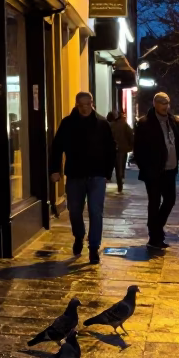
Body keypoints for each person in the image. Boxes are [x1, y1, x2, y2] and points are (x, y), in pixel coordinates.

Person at [49, 92, 116, 265]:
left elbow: (110, 149)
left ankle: (94, 247)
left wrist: (107, 172)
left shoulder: (102, 124)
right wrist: (55, 169)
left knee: (96, 211)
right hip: (75, 174)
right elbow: (57, 147)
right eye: (81, 105)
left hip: (97, 175)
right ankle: (79, 235)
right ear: (77, 105)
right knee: (74, 210)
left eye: (88, 104)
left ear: (92, 103)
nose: (85, 108)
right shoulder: (68, 123)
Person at [132, 91, 179, 251]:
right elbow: (138, 148)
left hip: (170, 168)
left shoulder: (172, 121)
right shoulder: (145, 123)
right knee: (154, 201)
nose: (165, 106)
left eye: (167, 103)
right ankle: (154, 235)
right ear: (155, 104)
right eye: (162, 103)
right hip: (153, 170)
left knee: (170, 200)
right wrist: (144, 166)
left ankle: (156, 228)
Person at [106, 107, 134, 193]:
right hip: (122, 148)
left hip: (112, 149)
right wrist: (131, 146)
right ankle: (120, 181)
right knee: (120, 166)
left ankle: (111, 178)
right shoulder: (124, 124)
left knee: (113, 165)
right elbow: (130, 135)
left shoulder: (109, 125)